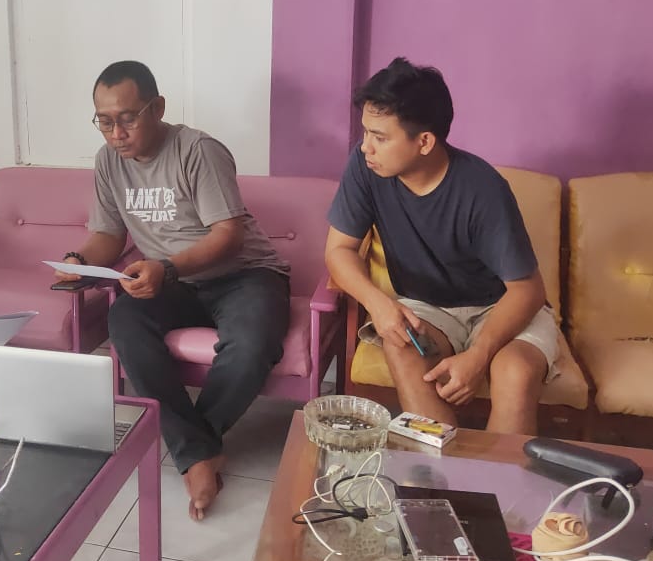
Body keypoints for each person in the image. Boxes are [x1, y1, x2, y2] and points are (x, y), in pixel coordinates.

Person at [56, 61, 290, 521]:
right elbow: (109, 235)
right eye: (105, 121)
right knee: (125, 320)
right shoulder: (107, 162)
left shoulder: (198, 151)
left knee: (252, 342)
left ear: (157, 108)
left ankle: (194, 448)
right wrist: (78, 260)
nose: (117, 133)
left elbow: (228, 236)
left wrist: (165, 267)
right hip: (173, 280)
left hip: (244, 274)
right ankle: (200, 451)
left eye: (128, 118)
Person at [324, 57, 559, 435]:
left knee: (514, 372)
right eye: (365, 133)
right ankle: (442, 467)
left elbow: (527, 290)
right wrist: (378, 304)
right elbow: (339, 250)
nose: (366, 147)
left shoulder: (483, 189)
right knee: (401, 343)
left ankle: (501, 473)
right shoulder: (365, 167)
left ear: (424, 142)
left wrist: (479, 355)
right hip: (428, 307)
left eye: (380, 137)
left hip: (500, 306)